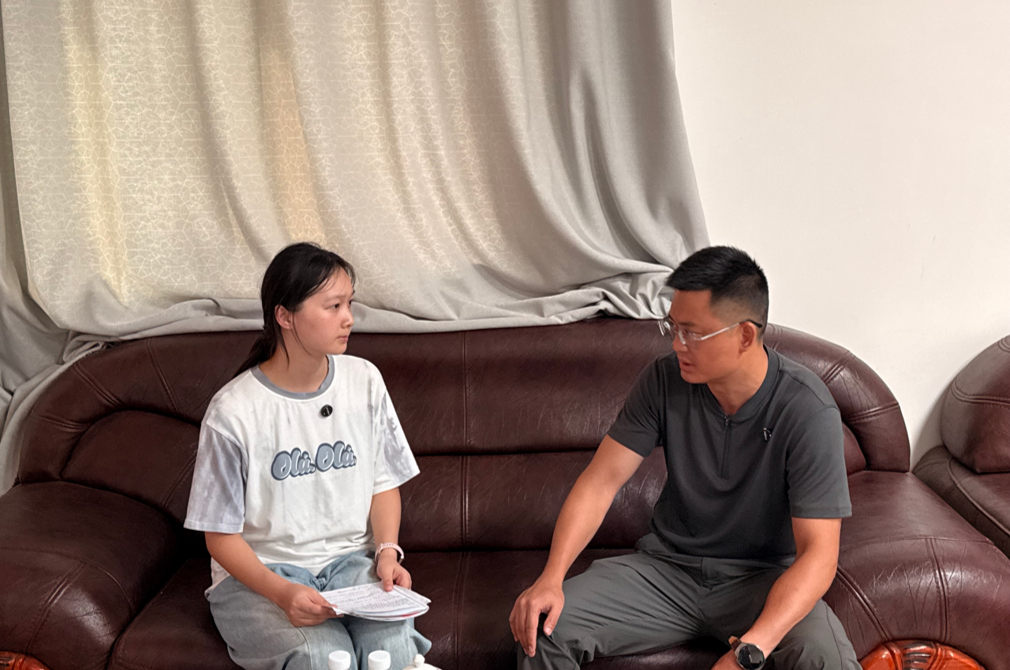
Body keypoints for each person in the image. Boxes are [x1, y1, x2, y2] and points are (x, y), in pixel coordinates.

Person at [509, 246, 860, 670]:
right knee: (543, 628)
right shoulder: (662, 380)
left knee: (824, 657)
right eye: (672, 327)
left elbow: (819, 554)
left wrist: (749, 652)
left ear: (744, 336)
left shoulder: (806, 409)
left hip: (761, 580)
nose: (677, 344)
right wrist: (551, 577)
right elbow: (600, 482)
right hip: (666, 569)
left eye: (692, 333)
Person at [184, 242, 431, 670]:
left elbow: (382, 482)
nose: (348, 318)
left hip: (351, 567)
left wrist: (387, 553)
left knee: (392, 650)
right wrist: (281, 592)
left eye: (349, 303)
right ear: (285, 316)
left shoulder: (364, 380)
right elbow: (219, 537)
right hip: (263, 575)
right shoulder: (233, 412)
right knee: (322, 657)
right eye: (333, 306)